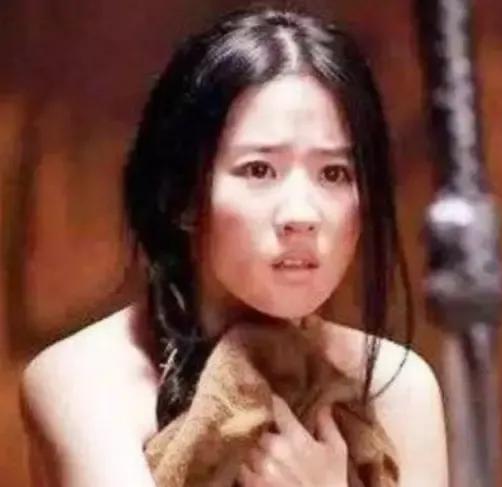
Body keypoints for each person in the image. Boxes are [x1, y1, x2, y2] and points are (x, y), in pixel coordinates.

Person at [19, 6, 448, 486]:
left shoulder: (396, 387)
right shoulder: (86, 379)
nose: (302, 215)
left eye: (334, 173)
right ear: (182, 194)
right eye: (259, 170)